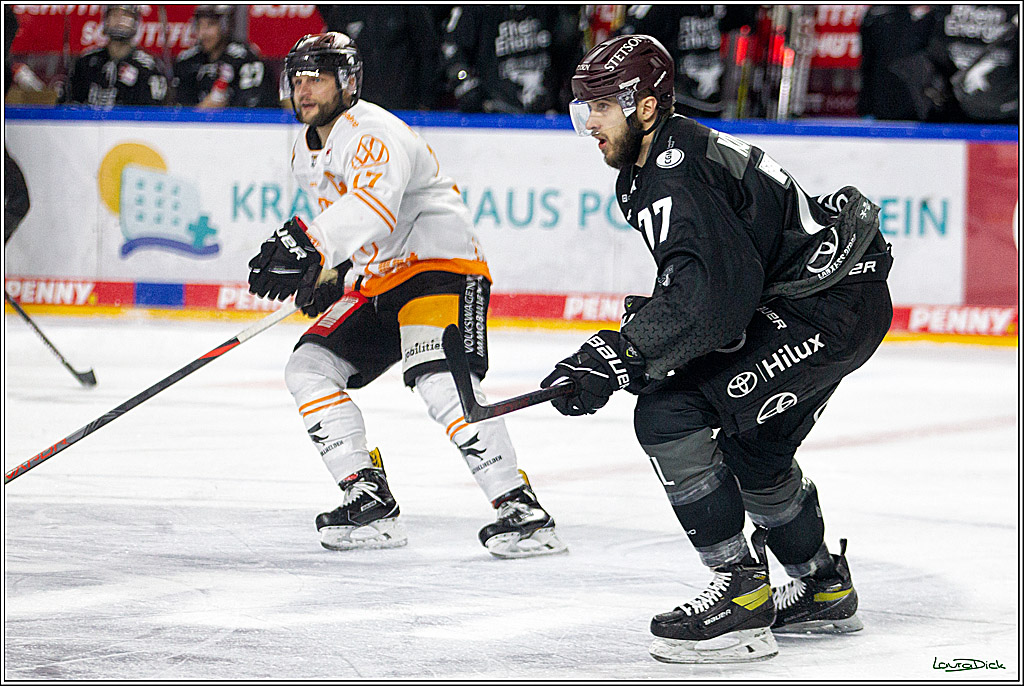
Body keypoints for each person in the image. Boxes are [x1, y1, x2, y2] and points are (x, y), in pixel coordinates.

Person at [542, 34, 893, 663]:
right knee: (753, 448)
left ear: (645, 107)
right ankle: (822, 584)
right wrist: (645, 345)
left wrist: (621, 352)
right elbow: (710, 285)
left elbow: (715, 297)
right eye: (583, 107)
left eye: (602, 106)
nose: (589, 122)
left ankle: (742, 593)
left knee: (668, 414)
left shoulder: (671, 171)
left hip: (823, 309)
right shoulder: (666, 158)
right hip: (835, 302)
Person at [245, 33, 566, 558]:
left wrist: (311, 244)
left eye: (317, 77)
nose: (305, 89)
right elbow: (363, 235)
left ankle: (521, 508)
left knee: (441, 381)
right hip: (380, 281)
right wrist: (330, 274)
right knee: (309, 367)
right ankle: (367, 496)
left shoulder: (372, 130)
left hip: (440, 268)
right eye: (298, 77)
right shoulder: (307, 150)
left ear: (347, 82)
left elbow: (374, 208)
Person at [316, 5, 442, 110]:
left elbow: (429, 51)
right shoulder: (343, 10)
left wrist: (426, 102)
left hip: (403, 108)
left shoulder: (408, 7)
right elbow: (332, 61)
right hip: (357, 109)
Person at [60, 5, 167, 107]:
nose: (120, 21)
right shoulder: (86, 62)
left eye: (126, 16)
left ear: (136, 22)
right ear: (106, 19)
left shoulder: (148, 67)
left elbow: (154, 113)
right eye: (115, 15)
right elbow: (67, 104)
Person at [172, 4, 276, 109]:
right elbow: (178, 109)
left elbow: (252, 108)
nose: (202, 33)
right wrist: (201, 111)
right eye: (199, 26)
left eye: (210, 25)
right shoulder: (187, 61)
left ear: (225, 25)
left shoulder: (245, 59)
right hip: (193, 125)